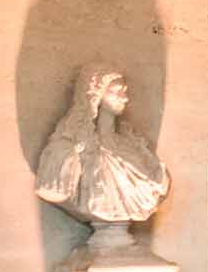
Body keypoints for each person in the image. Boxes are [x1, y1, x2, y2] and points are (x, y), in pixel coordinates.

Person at [35, 64, 170, 225]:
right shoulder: (71, 149)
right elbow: (53, 189)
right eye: (116, 92)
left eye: (125, 92)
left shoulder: (134, 146)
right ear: (95, 95)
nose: (124, 98)